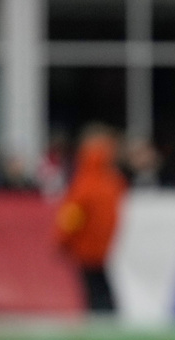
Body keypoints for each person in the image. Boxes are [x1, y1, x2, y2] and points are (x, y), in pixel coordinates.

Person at [53, 125, 127, 312]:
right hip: (109, 247)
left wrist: (62, 240)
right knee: (103, 288)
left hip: (86, 248)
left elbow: (72, 216)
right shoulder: (114, 181)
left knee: (94, 291)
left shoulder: (85, 182)